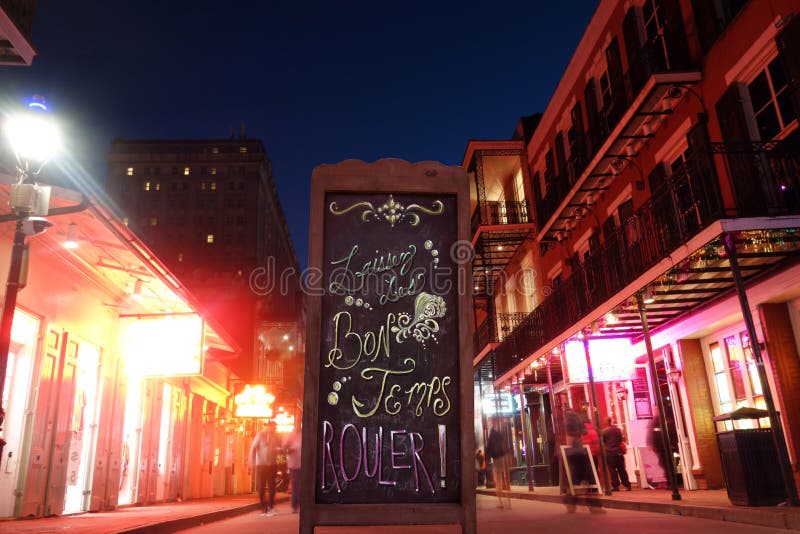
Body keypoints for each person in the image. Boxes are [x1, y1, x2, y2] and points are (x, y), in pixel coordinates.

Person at [250, 420, 280, 516]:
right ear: (269, 426)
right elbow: (253, 448)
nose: (275, 429)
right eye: (274, 427)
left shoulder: (275, 436)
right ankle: (263, 507)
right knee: (261, 487)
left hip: (272, 465)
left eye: (275, 428)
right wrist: (251, 462)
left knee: (272, 487)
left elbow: (278, 447)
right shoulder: (260, 435)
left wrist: (279, 451)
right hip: (261, 464)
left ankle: (270, 506)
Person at [486, 419, 511, 509]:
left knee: (498, 480)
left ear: (492, 423)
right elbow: (506, 445)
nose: (488, 424)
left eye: (489, 422)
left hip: (497, 459)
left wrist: (487, 458)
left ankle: (501, 502)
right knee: (505, 478)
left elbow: (489, 448)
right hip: (504, 457)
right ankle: (508, 502)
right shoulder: (501, 432)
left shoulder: (492, 433)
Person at [602, 417, 631, 491]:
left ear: (606, 422)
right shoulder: (618, 430)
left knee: (612, 470)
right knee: (622, 469)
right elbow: (621, 440)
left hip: (609, 453)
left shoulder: (604, 431)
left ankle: (615, 486)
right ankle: (627, 484)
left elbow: (602, 442)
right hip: (619, 452)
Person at [283, 426, 302, 513]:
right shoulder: (290, 437)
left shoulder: (303, 436)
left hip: (303, 464)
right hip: (294, 465)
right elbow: (285, 448)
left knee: (301, 486)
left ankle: (299, 504)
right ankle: (294, 506)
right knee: (295, 486)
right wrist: (288, 449)